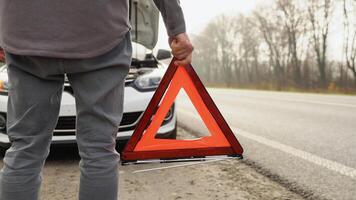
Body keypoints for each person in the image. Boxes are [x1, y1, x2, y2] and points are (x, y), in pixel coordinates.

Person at [0, 0, 193, 199]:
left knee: (25, 150)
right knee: (99, 150)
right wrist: (177, 27)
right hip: (100, 29)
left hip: (24, 29)